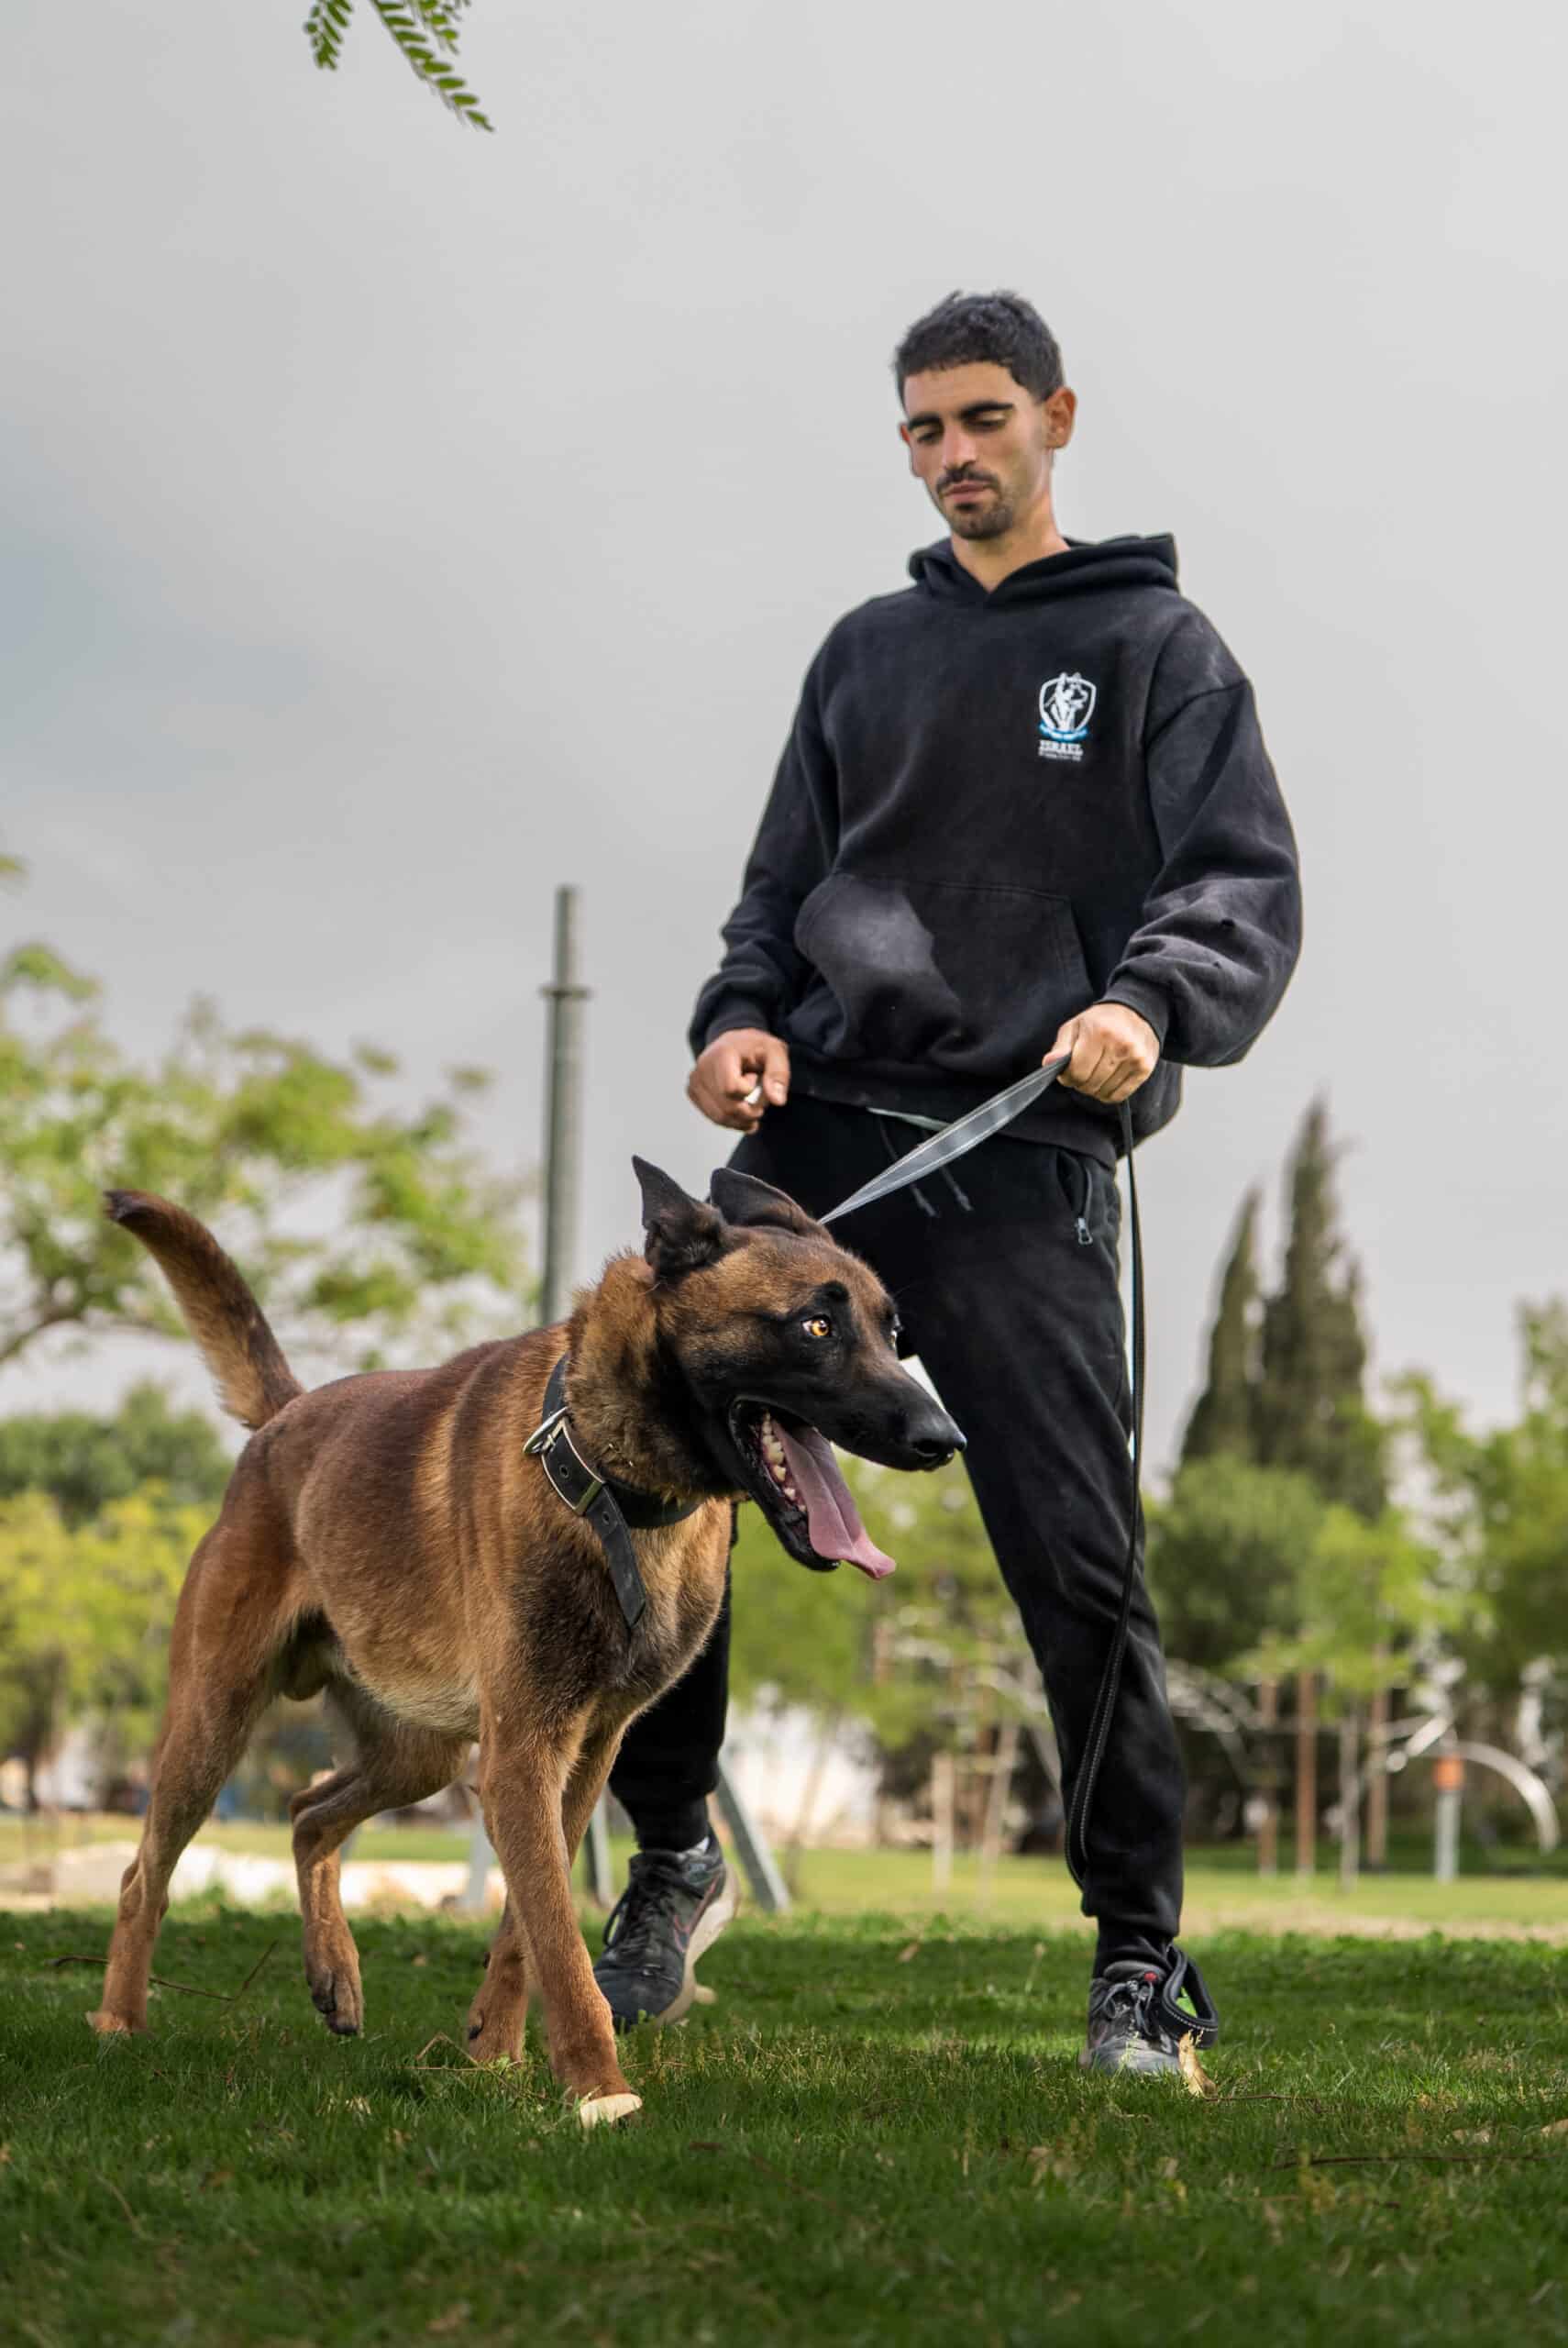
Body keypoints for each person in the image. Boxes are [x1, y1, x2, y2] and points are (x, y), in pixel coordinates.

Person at [594, 289, 1302, 2073]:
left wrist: (1153, 1002)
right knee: (644, 1447)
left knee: (1077, 1556)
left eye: (983, 419)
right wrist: (742, 1020)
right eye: (922, 429)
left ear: (1058, 417)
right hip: (820, 1131)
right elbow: (777, 886)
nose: (953, 456)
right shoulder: (862, 651)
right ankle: (673, 1852)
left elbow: (1236, 883)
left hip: (1025, 1138)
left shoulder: (1159, 644)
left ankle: (1141, 1953)